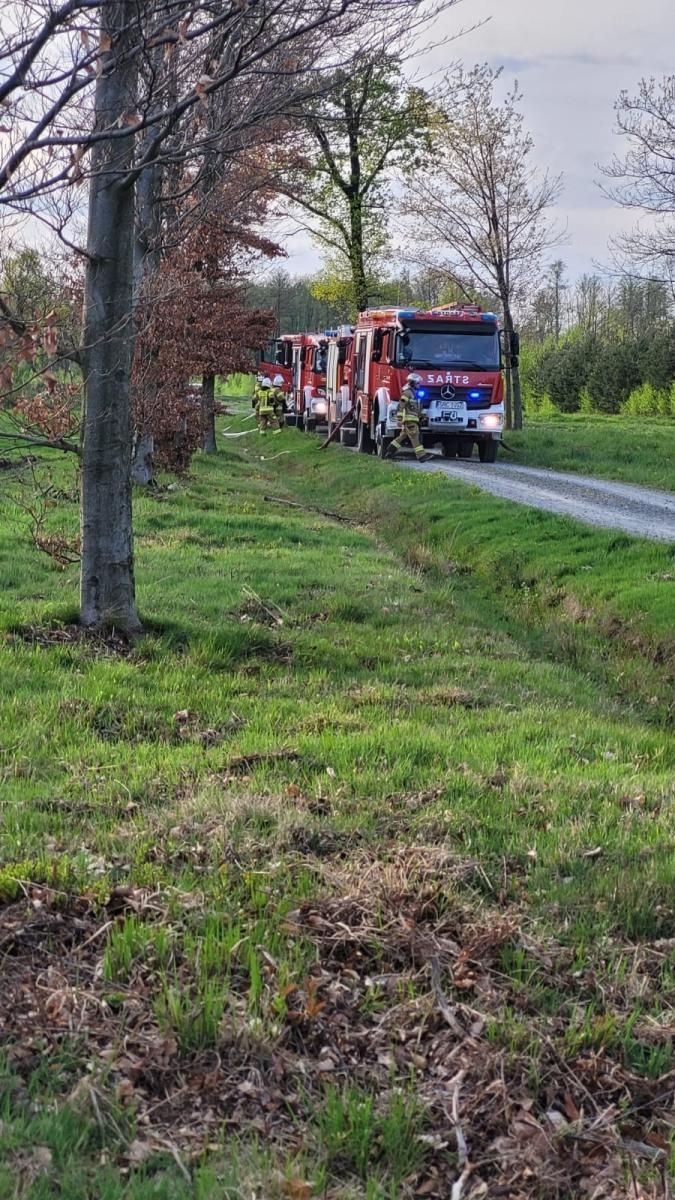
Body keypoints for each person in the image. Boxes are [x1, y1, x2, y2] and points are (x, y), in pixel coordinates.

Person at [386, 374, 431, 462]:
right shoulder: (407, 393)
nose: (419, 385)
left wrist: (422, 416)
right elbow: (401, 406)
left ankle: (390, 451)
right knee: (415, 437)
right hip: (409, 420)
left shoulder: (414, 393)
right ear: (413, 383)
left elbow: (415, 408)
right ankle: (421, 456)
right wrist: (399, 419)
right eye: (418, 383)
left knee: (402, 436)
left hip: (412, 420)